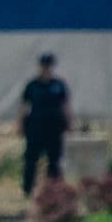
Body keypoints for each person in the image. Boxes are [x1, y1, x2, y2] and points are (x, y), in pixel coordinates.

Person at [20, 53, 72, 194]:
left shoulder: (58, 85)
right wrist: (20, 125)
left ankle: (52, 190)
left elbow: (65, 106)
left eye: (48, 65)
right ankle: (27, 188)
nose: (46, 68)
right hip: (35, 128)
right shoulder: (32, 85)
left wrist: (68, 123)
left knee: (54, 160)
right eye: (44, 65)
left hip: (54, 129)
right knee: (31, 160)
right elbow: (24, 106)